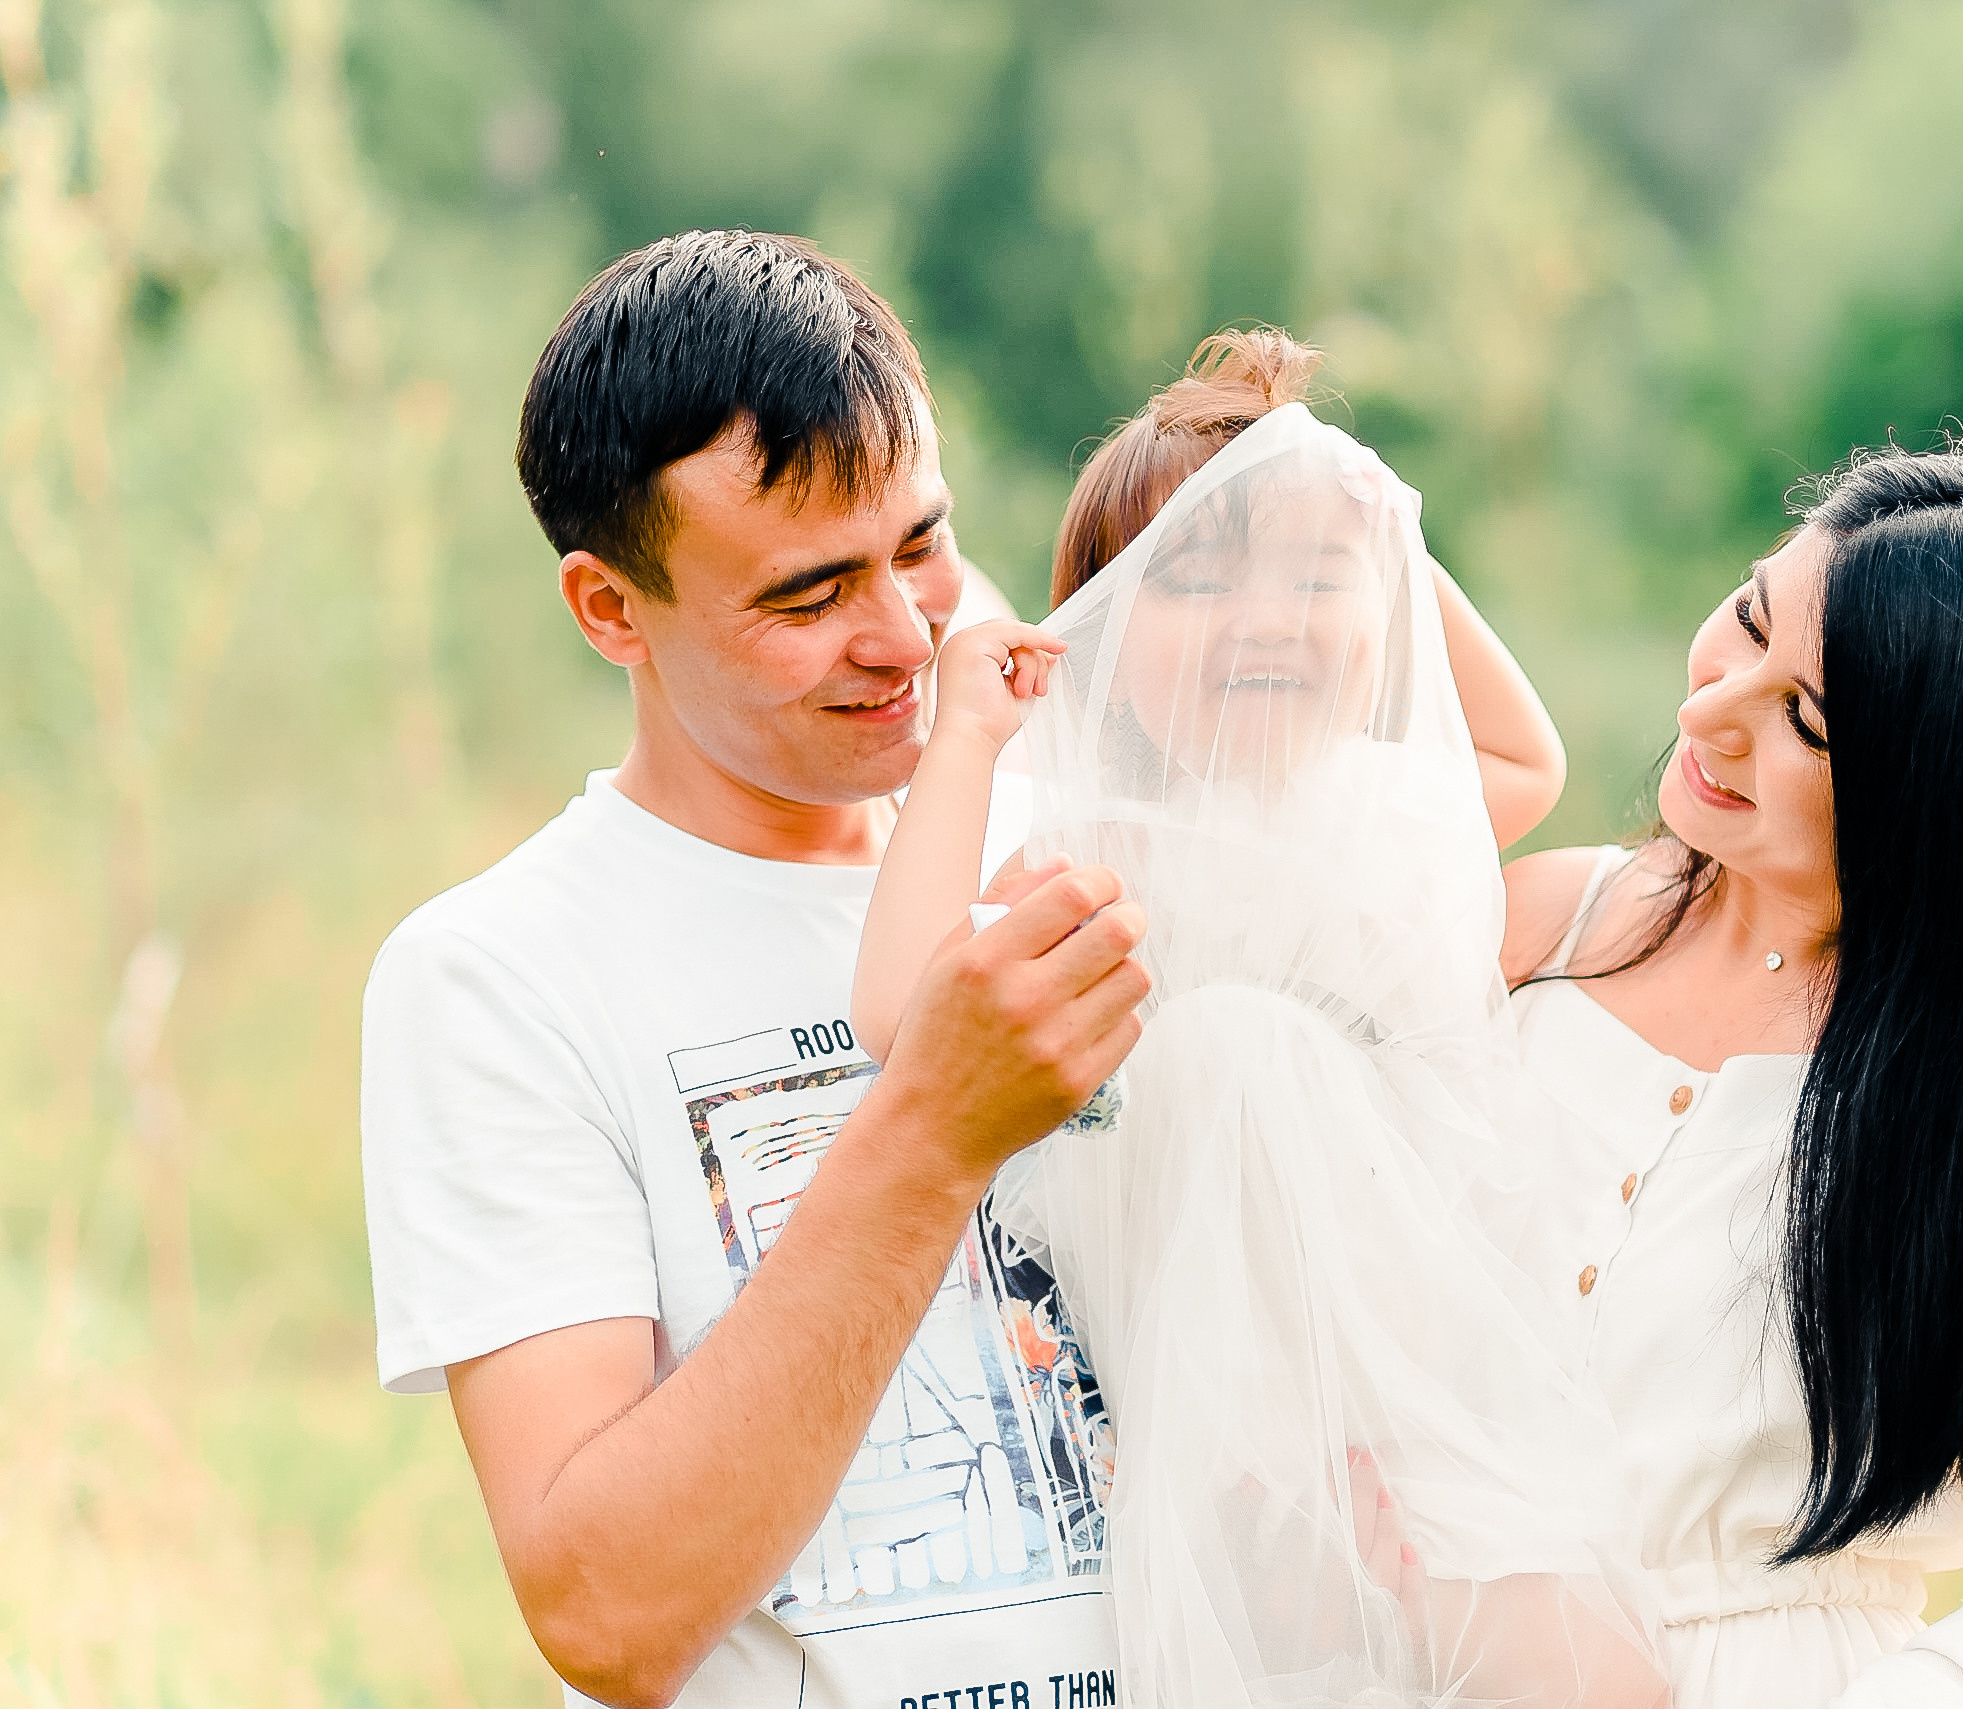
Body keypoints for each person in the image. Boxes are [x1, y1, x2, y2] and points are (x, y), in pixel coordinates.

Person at [359, 230, 1151, 1709]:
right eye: (808, 597)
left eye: (923, 543)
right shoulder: (496, 977)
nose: (907, 636)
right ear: (612, 611)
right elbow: (608, 1614)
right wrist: (930, 1131)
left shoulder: (1083, 845)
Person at [851, 332, 1664, 1706]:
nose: (1269, 617)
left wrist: (1378, 522)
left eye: (1318, 574)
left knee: (1583, 1668)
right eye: (1198, 575)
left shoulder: (1397, 814)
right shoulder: (1105, 853)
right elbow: (900, 1008)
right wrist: (969, 742)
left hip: (1433, 1383)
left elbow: (1530, 754)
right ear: (1097, 627)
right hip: (1232, 1436)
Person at [1499, 441, 1963, 1707]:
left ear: (1950, 797)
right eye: (1743, 622)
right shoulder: (1539, 928)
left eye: (1802, 717)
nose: (1706, 713)